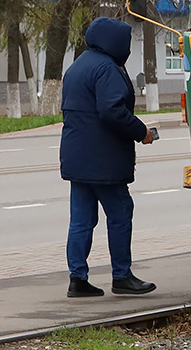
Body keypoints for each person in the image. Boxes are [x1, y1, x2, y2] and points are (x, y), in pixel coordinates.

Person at [60, 15, 157, 298]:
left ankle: (77, 279)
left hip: (76, 156)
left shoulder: (77, 66)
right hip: (103, 159)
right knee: (120, 212)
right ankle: (122, 275)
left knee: (81, 219)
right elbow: (112, 111)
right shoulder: (107, 69)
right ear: (115, 42)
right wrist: (141, 131)